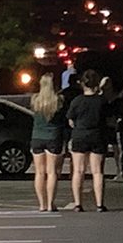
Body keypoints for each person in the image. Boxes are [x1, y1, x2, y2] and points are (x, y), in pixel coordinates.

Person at [65, 69, 109, 212]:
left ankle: (78, 204)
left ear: (82, 84)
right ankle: (99, 204)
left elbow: (71, 120)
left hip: (80, 135)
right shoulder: (101, 101)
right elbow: (108, 119)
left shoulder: (77, 101)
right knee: (97, 172)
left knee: (78, 171)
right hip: (97, 135)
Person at [29, 74, 66, 212]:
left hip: (37, 136)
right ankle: (51, 203)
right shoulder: (59, 100)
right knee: (52, 172)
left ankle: (42, 204)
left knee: (39, 172)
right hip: (53, 136)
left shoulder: (35, 100)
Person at [99, 76, 120, 178]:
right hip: (104, 125)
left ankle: (118, 169)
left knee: (114, 148)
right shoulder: (103, 97)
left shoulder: (112, 97)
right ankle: (101, 170)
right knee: (103, 150)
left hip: (110, 124)